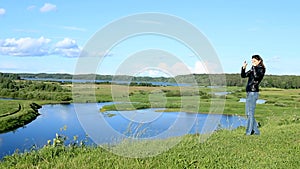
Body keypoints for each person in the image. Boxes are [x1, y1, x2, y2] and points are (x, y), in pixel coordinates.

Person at [241, 54, 266, 135]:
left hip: (253, 92)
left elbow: (256, 77)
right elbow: (243, 75)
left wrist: (254, 67)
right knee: (247, 113)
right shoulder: (253, 69)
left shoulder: (261, 69)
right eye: (252, 61)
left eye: (254, 61)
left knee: (250, 113)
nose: (253, 62)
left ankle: (248, 132)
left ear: (259, 61)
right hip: (248, 92)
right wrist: (243, 68)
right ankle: (256, 131)